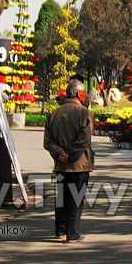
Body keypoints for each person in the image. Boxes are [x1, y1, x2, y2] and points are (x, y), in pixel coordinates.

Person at [43, 78, 95, 243]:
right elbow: (84, 139)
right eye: (85, 93)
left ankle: (60, 230)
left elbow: (48, 141)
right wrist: (71, 154)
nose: (86, 96)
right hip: (79, 164)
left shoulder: (53, 114)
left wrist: (60, 154)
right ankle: (72, 233)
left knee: (62, 198)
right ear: (79, 93)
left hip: (61, 165)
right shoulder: (85, 114)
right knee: (75, 199)